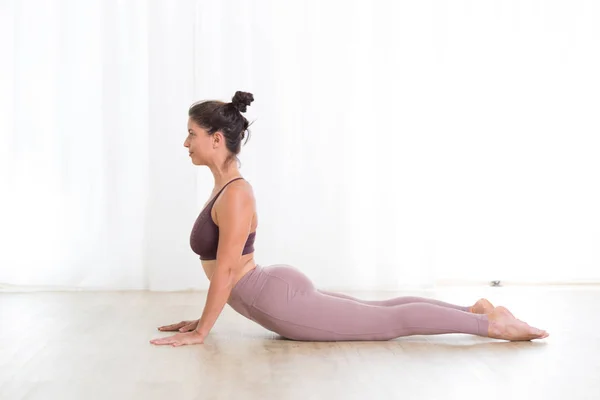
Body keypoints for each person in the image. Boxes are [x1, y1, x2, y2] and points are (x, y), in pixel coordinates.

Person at [150, 91, 549, 347]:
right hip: (269, 289)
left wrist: (203, 331)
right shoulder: (225, 187)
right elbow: (225, 271)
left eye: (191, 134)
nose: (186, 143)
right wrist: (202, 319)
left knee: (388, 322)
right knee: (381, 310)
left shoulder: (235, 193)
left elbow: (225, 273)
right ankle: (472, 310)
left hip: (274, 298)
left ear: (216, 139)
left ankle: (492, 326)